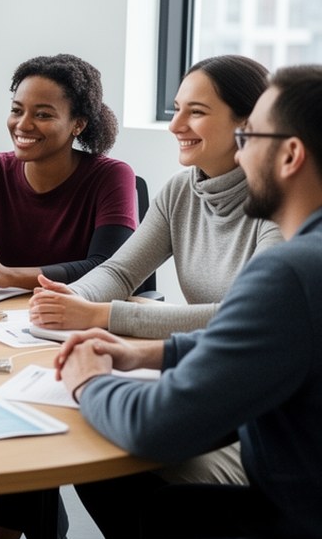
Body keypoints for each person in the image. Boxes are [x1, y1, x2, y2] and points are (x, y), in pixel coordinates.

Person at [40, 64, 322, 539]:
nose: (242, 147)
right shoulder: (307, 258)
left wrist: (89, 380)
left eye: (250, 133)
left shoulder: (292, 268)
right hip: (295, 494)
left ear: (291, 155)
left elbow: (160, 426)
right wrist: (148, 351)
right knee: (169, 511)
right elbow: (263, 340)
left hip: (294, 532)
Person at [0, 54, 137, 539]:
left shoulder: (112, 176)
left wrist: (9, 276)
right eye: (18, 109)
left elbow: (108, 265)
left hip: (74, 327)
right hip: (1, 330)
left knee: (27, 412)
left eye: (43, 114)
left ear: (77, 123)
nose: (23, 124)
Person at [29, 55, 281, 340]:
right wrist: (75, 295)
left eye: (196, 112)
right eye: (176, 109)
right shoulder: (180, 190)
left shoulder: (285, 202)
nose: (175, 125)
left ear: (247, 124)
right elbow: (120, 272)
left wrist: (99, 314)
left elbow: (246, 315)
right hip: (212, 355)